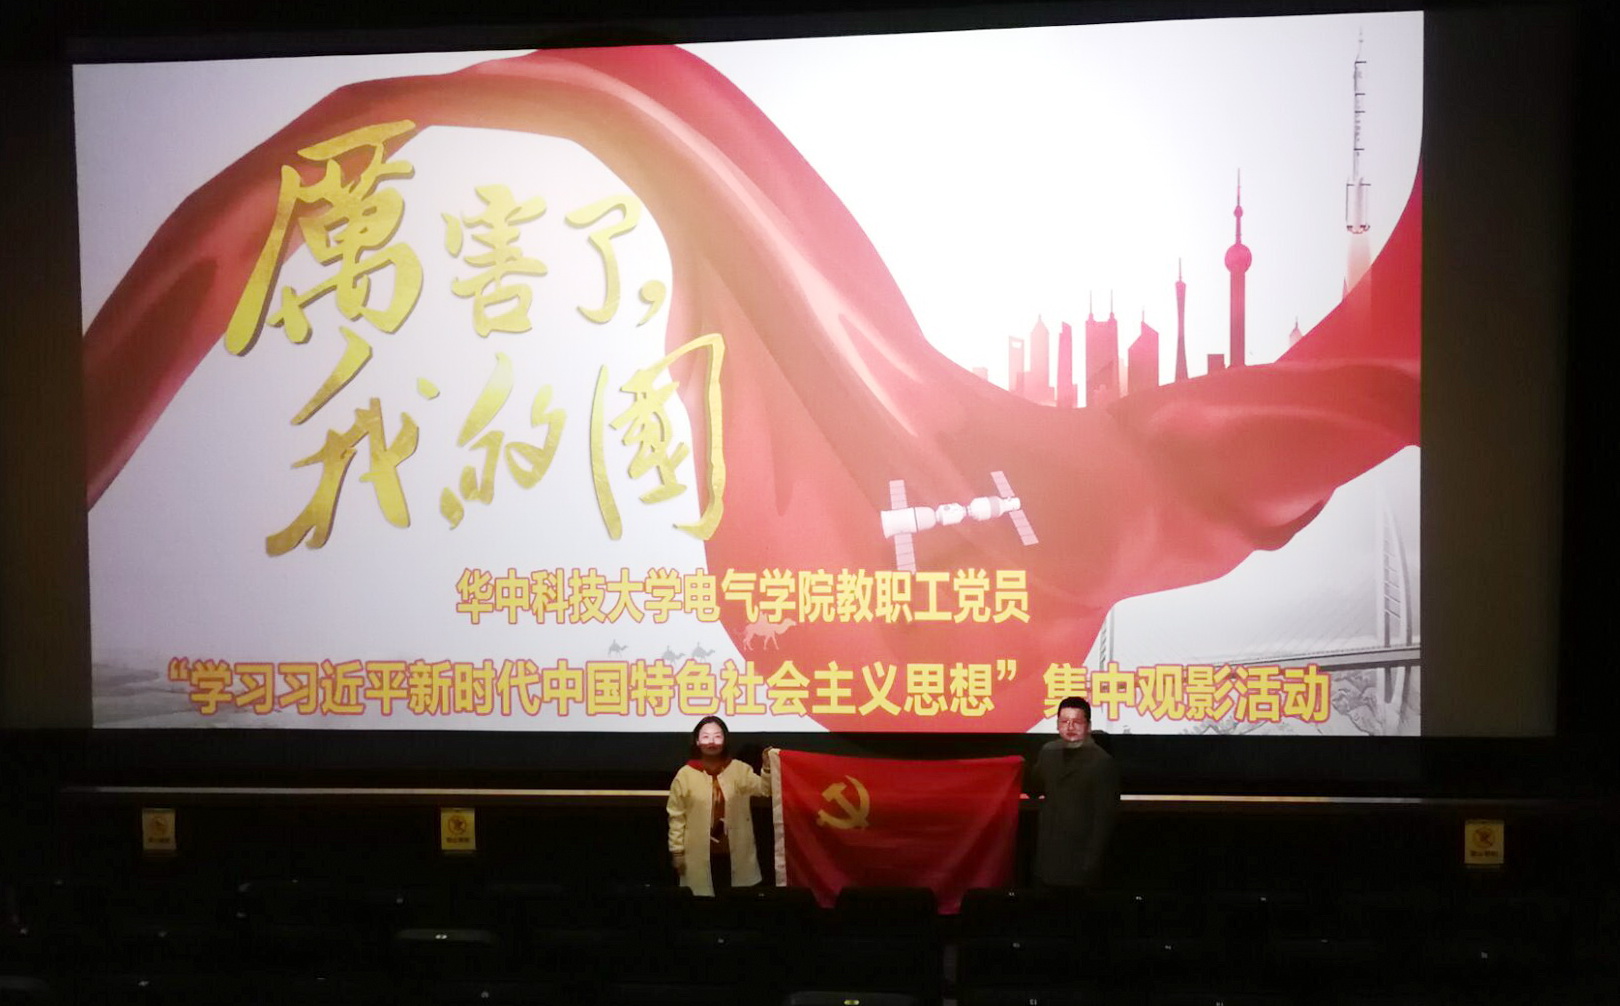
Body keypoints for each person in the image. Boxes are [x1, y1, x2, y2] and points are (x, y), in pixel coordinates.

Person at [667, 715, 773, 896]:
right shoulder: (685, 775)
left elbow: (765, 790)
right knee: (702, 900)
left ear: (725, 740)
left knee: (735, 899)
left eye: (717, 736)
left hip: (735, 851)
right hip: (698, 851)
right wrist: (676, 851)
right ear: (697, 741)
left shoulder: (739, 769)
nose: (712, 742)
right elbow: (676, 816)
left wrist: (767, 768)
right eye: (706, 736)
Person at [1030, 696, 1120, 889]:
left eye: (1076, 722)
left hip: (1080, 858)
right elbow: (1034, 788)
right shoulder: (1048, 752)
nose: (1070, 727)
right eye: (1064, 721)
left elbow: (1104, 819)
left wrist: (1091, 862)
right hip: (1048, 856)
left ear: (1088, 726)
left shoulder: (1102, 762)